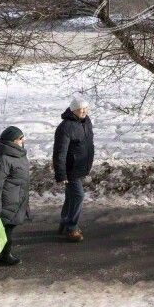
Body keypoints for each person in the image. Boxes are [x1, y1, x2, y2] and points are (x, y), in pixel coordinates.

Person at [0, 126, 31, 266]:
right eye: (20, 138)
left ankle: (0, 252)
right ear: (12, 141)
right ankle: (5, 257)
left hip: (16, 199)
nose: (23, 140)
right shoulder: (2, 159)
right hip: (6, 202)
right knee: (6, 229)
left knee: (7, 228)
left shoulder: (18, 155)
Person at [53, 96, 94, 242]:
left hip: (80, 166)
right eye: (80, 109)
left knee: (71, 196)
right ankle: (71, 227)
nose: (83, 111)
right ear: (73, 110)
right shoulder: (65, 127)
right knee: (78, 196)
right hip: (70, 169)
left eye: (85, 108)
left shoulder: (86, 121)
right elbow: (59, 153)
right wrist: (61, 174)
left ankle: (65, 221)